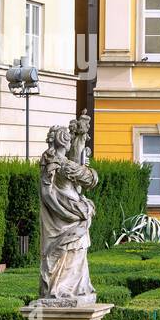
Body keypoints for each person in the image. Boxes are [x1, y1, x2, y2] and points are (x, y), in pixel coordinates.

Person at [36, 124, 99, 305]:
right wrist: (70, 213)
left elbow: (54, 192)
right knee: (69, 253)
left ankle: (73, 288)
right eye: (70, 139)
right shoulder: (59, 163)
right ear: (64, 140)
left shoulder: (54, 161)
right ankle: (63, 290)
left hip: (66, 215)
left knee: (74, 254)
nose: (71, 142)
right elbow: (88, 181)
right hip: (67, 217)